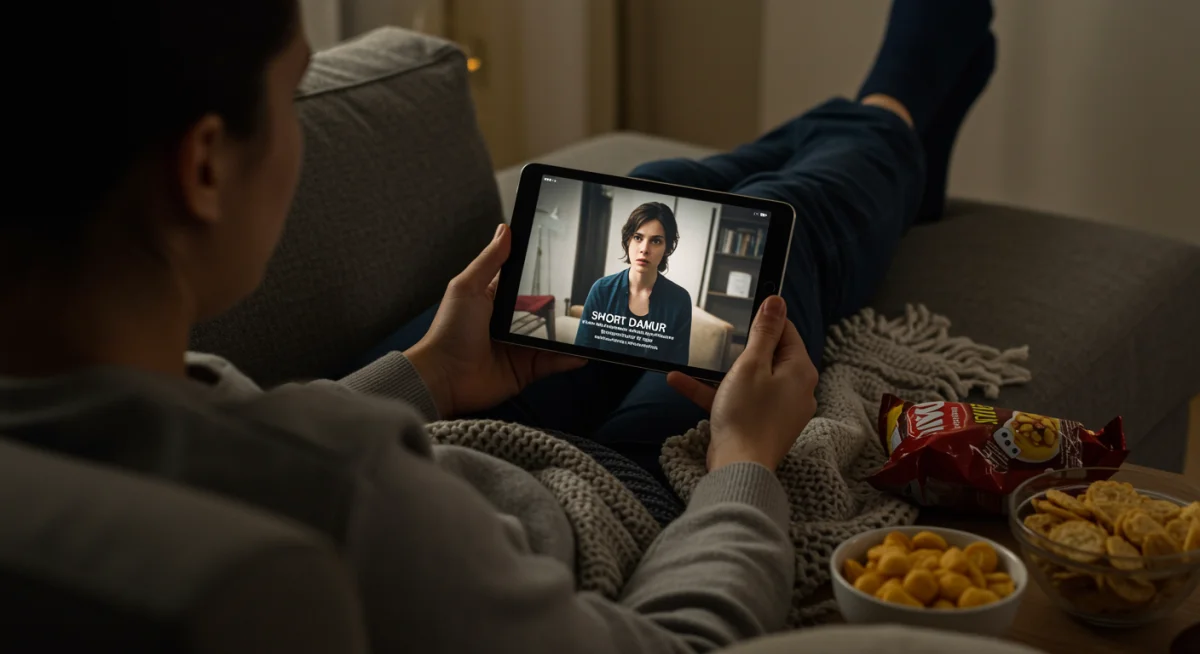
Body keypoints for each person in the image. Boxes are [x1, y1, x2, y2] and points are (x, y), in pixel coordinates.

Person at [0, 1, 995, 653]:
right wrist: (745, 459)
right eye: (293, 95)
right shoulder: (355, 503)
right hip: (589, 497)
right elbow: (680, 644)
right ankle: (900, 103)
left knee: (652, 192)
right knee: (787, 241)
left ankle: (881, 122)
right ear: (204, 167)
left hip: (456, 420)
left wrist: (428, 371)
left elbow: (211, 440)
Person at [575, 201, 693, 367]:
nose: (644, 249)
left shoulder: (680, 300)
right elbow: (580, 355)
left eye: (656, 241)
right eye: (638, 238)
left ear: (667, 248)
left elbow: (676, 369)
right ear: (628, 240)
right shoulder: (601, 290)